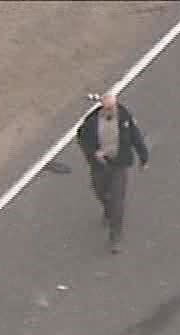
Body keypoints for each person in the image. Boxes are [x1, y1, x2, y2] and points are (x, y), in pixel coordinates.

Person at [75, 92, 150, 254]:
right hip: (99, 165)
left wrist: (143, 157)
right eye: (108, 107)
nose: (111, 110)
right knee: (100, 191)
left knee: (117, 199)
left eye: (113, 107)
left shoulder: (124, 119)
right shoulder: (92, 121)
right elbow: (81, 137)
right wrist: (93, 153)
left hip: (119, 164)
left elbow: (136, 137)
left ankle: (115, 236)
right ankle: (107, 209)